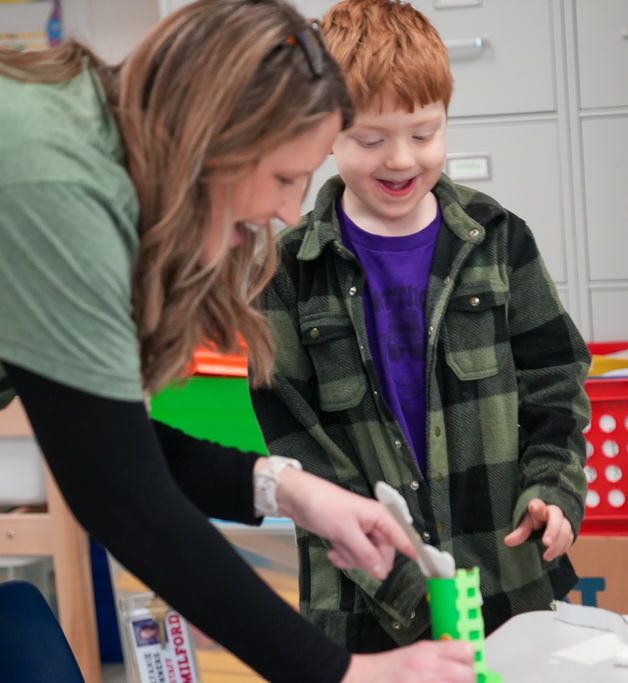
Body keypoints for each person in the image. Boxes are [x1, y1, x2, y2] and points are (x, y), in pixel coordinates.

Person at [0, 1, 475, 681]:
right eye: (283, 178)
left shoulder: (91, 155)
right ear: (216, 138)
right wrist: (344, 673)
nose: (287, 210)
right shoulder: (53, 186)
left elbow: (110, 442)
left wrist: (289, 490)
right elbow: (121, 494)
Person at [249, 0, 592, 652]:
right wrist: (402, 578)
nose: (401, 160)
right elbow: (293, 434)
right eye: (370, 139)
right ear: (327, 134)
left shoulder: (499, 241)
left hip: (505, 583)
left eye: (424, 132)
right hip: (364, 602)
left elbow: (558, 382)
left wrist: (554, 489)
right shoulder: (289, 270)